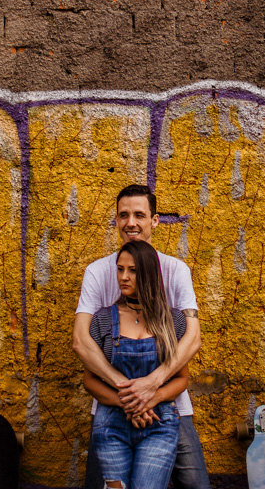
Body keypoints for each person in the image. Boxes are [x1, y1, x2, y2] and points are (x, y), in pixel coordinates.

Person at [73, 185, 211, 489]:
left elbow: (192, 338)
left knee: (196, 484)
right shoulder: (97, 272)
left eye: (139, 214)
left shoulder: (176, 270)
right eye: (123, 215)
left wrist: (152, 386)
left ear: (155, 220)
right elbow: (81, 341)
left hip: (169, 406)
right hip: (111, 406)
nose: (131, 222)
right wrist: (129, 395)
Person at [82, 239, 189, 489]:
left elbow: (182, 379)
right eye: (120, 269)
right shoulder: (102, 321)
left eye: (133, 270)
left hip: (159, 425)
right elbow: (89, 381)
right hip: (111, 426)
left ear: (149, 273)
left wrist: (151, 398)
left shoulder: (173, 321)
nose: (124, 277)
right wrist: (130, 404)